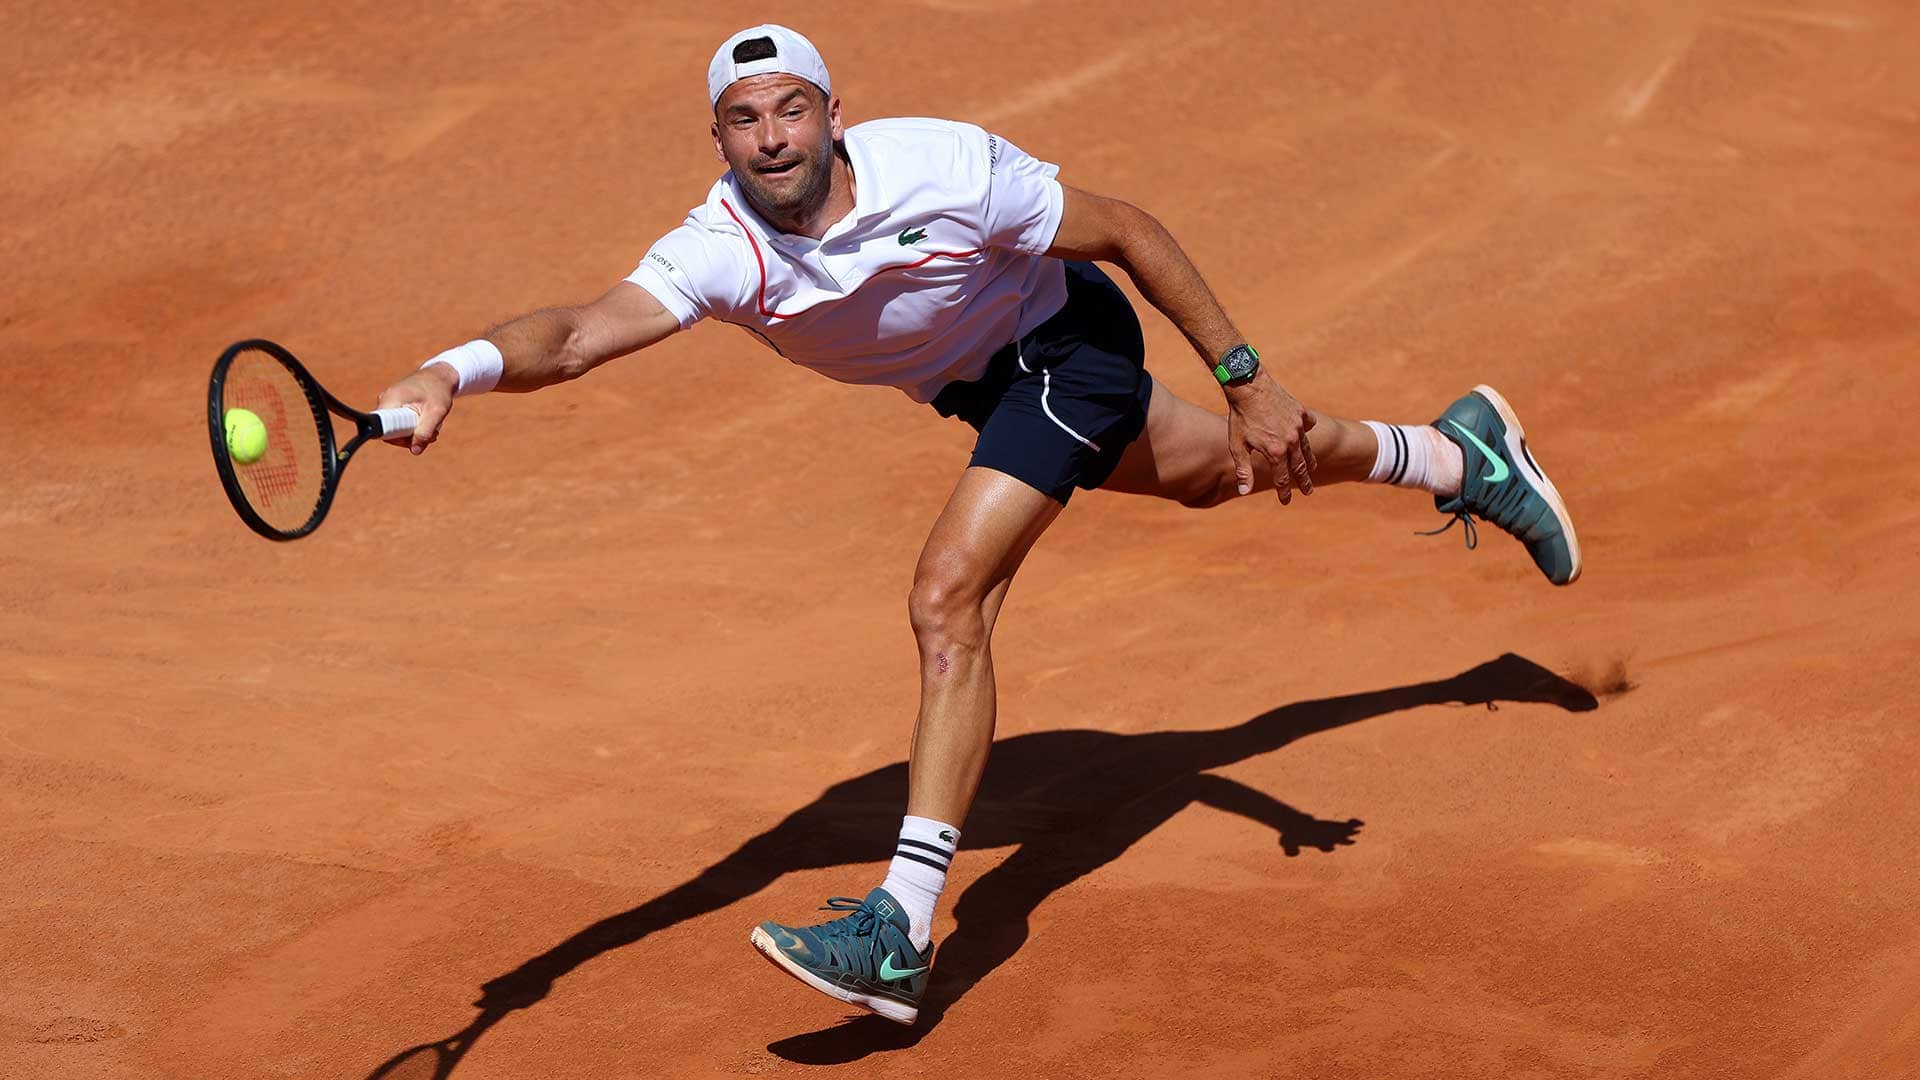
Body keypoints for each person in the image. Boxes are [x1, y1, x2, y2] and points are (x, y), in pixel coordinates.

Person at [374, 23, 1580, 1026]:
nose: (772, 139)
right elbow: (578, 334)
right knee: (1226, 476)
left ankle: (899, 926)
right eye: (745, 121)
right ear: (719, 141)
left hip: (1065, 345)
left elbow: (1127, 228)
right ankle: (1454, 453)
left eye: (790, 110)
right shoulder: (720, 251)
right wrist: (450, 370)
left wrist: (1246, 371)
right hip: (986, 392)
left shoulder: (941, 167)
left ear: (832, 113)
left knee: (949, 593)